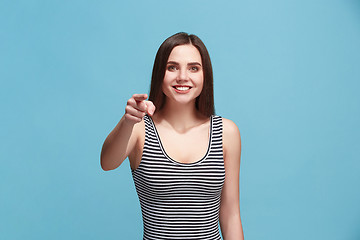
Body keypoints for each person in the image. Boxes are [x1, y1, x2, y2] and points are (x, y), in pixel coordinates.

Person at [100, 32, 244, 240]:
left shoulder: (226, 132)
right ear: (160, 73)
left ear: (205, 75)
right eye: (172, 67)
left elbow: (231, 215)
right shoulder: (139, 128)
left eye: (193, 68)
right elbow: (107, 162)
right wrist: (128, 121)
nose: (183, 77)